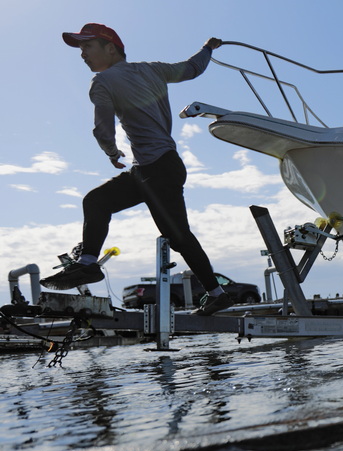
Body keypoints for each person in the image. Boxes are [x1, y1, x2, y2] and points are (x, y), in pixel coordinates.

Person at [42, 23, 231, 315]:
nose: (83, 55)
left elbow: (103, 129)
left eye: (87, 47)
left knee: (179, 235)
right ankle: (88, 263)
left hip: (156, 170)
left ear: (110, 47)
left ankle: (217, 293)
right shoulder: (154, 69)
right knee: (97, 200)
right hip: (155, 168)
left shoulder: (102, 81)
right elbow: (193, 68)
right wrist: (208, 48)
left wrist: (111, 152)